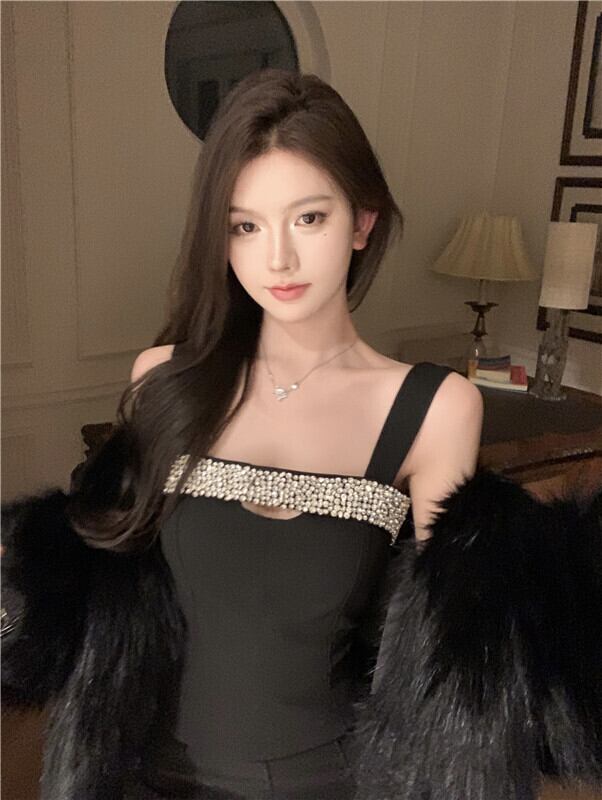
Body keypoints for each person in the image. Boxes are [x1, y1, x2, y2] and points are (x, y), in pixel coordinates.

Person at [2, 69, 601, 800]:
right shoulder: (164, 380)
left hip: (322, 782)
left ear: (363, 221)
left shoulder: (432, 408)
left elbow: (453, 659)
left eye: (309, 218)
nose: (276, 259)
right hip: (143, 776)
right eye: (245, 226)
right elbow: (97, 584)